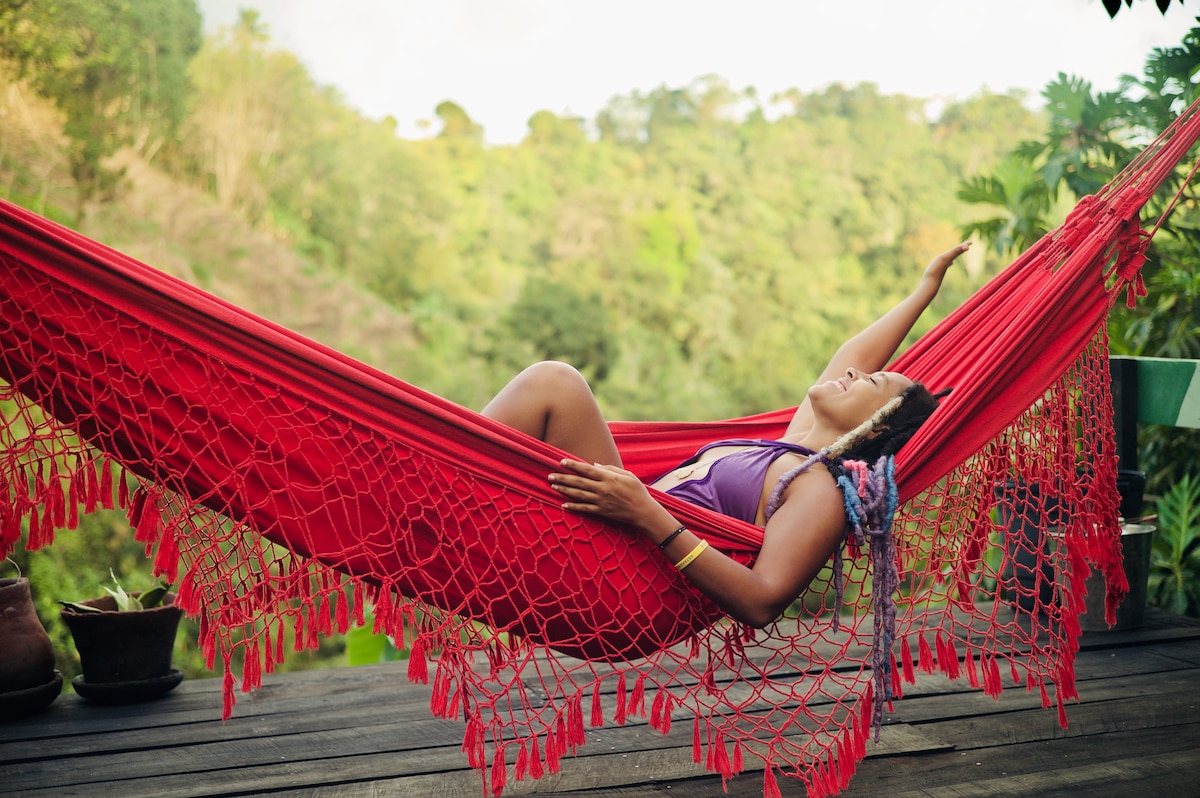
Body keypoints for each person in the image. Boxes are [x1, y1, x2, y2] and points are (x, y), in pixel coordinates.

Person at [482, 242, 970, 628]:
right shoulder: (795, 444)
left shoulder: (816, 489)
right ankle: (430, 480)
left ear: (877, 425)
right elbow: (855, 353)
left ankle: (427, 483)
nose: (855, 373)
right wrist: (923, 291)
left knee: (556, 383)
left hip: (630, 579)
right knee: (552, 384)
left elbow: (762, 602)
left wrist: (647, 514)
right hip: (614, 535)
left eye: (872, 382)